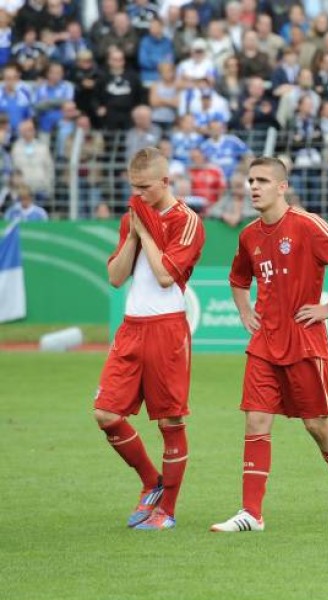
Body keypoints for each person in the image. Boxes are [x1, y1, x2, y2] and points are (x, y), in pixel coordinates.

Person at [210, 157, 328, 532]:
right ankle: (252, 513)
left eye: (262, 180)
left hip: (304, 341)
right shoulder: (248, 235)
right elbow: (237, 279)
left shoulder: (306, 224)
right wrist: (245, 310)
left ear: (282, 186)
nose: (254, 187)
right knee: (256, 419)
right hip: (265, 342)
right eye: (251, 180)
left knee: (317, 425)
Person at [92, 147, 206, 530]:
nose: (138, 194)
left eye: (145, 187)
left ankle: (167, 511)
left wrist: (145, 232)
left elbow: (164, 277)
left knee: (170, 421)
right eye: (133, 187)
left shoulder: (188, 221)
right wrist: (133, 234)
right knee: (106, 414)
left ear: (166, 181)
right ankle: (150, 482)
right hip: (131, 327)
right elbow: (115, 277)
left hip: (167, 328)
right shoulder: (134, 217)